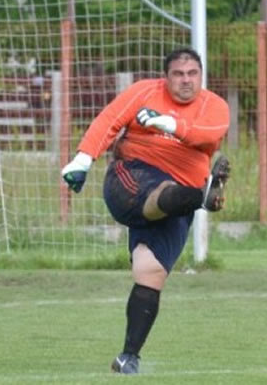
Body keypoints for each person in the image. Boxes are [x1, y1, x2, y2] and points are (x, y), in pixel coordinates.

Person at [60, 47, 230, 374]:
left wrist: (169, 123)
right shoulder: (144, 92)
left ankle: (128, 357)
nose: (185, 80)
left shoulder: (214, 106)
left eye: (192, 74)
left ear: (201, 76)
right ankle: (203, 196)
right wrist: (83, 159)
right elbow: (109, 120)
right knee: (162, 191)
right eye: (178, 74)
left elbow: (209, 135)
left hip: (182, 196)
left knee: (149, 273)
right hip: (133, 176)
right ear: (165, 78)